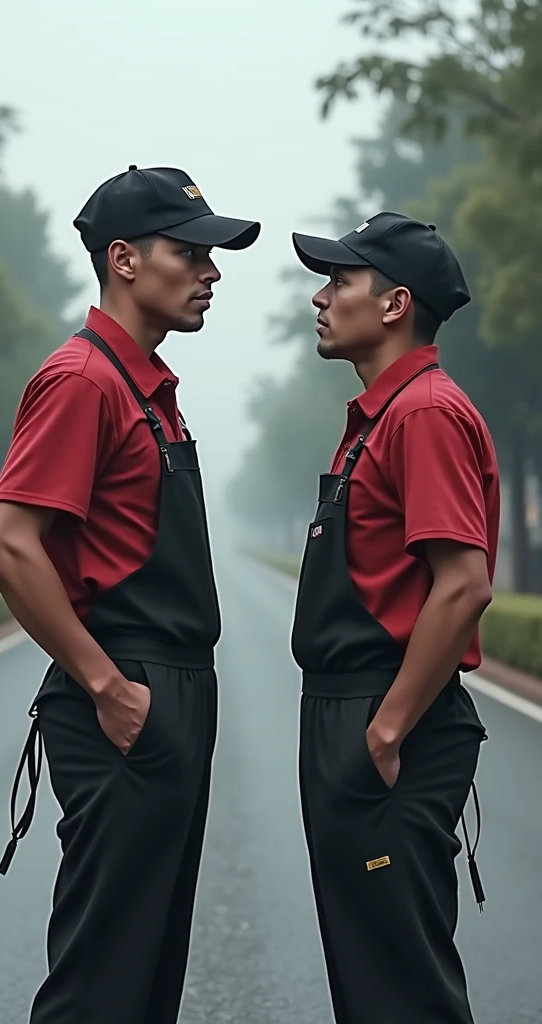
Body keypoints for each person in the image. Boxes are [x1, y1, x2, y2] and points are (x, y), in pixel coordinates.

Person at [0, 165, 260, 1024]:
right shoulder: (84, 381)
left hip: (168, 693)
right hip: (126, 699)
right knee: (103, 982)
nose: (212, 271)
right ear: (125, 260)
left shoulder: (147, 389)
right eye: (192, 252)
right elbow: (8, 542)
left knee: (147, 975)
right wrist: (107, 687)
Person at [290, 212, 498, 1024]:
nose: (321, 297)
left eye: (339, 281)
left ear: (393, 304)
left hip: (390, 725)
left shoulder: (423, 414)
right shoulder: (384, 413)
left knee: (400, 988)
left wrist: (385, 732)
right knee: (370, 975)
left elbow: (464, 585)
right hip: (354, 714)